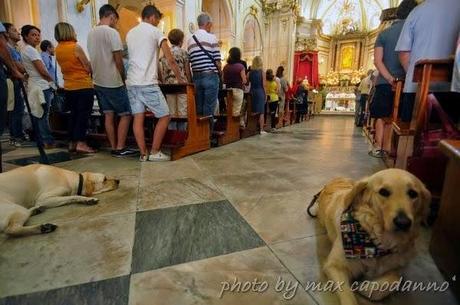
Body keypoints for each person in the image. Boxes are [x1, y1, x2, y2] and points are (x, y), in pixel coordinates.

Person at [126, 4, 183, 162]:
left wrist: (158, 75)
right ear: (152, 17)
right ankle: (155, 151)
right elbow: (170, 58)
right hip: (146, 83)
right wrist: (180, 78)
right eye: (157, 19)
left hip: (131, 83)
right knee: (165, 115)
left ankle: (143, 154)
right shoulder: (155, 32)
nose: (158, 23)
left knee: (138, 118)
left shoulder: (130, 33)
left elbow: (148, 59)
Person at [396, 0, 460, 123]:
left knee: (413, 136)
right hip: (453, 89)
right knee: (451, 138)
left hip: (417, 89)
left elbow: (404, 52)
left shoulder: (418, 11)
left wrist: (414, 75)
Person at [369, 0, 418, 158]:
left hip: (384, 82)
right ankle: (390, 148)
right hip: (406, 82)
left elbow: (377, 61)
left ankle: (378, 147)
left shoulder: (384, 34)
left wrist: (390, 78)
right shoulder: (414, 30)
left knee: (381, 116)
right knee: (395, 117)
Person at [87, 4, 135, 157]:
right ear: (112, 17)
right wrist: (123, 77)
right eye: (116, 20)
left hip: (98, 80)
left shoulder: (91, 33)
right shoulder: (111, 33)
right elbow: (118, 60)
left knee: (108, 115)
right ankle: (120, 148)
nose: (116, 23)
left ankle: (113, 146)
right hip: (113, 81)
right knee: (126, 114)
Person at [55, 22, 96, 154]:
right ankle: (81, 143)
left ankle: (72, 143)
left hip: (69, 87)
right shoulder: (75, 47)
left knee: (73, 115)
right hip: (83, 86)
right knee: (83, 116)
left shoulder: (58, 49)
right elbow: (87, 68)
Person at [20, 24, 55, 148]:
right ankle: (47, 140)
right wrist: (52, 82)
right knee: (43, 115)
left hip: (34, 85)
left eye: (38, 35)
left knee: (38, 114)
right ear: (25, 36)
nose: (37, 37)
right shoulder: (31, 50)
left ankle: (42, 139)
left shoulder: (25, 50)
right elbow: (42, 70)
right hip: (41, 86)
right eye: (33, 35)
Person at [187, 13, 221, 134]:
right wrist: (220, 74)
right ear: (207, 24)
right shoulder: (212, 38)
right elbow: (217, 61)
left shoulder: (190, 40)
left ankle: (199, 136)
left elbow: (189, 61)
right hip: (210, 76)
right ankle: (208, 136)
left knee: (199, 108)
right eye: (211, 24)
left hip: (196, 76)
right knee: (209, 108)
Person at [159, 28, 192, 130]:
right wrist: (190, 83)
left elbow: (162, 70)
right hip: (181, 84)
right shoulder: (183, 52)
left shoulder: (165, 53)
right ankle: (182, 135)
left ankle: (172, 135)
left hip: (169, 84)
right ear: (180, 40)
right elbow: (187, 70)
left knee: (171, 111)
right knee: (182, 111)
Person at [3, 23, 27, 147]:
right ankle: (15, 136)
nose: (18, 33)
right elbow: (17, 65)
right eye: (14, 30)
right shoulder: (7, 48)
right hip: (12, 80)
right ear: (6, 33)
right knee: (15, 109)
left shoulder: (15, 48)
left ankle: (18, 133)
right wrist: (26, 70)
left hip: (17, 80)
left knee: (19, 108)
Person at [223, 47, 247, 126]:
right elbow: (244, 80)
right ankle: (234, 128)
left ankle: (228, 126)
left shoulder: (226, 67)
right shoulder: (240, 66)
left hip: (228, 90)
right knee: (236, 110)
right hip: (238, 90)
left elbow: (223, 79)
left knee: (229, 110)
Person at [248, 56, 266, 134]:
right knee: (261, 112)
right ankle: (261, 130)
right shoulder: (262, 72)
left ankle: (251, 128)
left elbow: (246, 82)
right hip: (260, 91)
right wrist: (265, 94)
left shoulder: (249, 72)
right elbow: (264, 85)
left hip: (252, 91)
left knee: (253, 110)